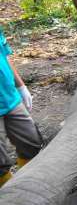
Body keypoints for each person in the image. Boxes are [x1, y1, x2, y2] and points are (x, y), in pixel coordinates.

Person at [0, 26, 42, 188]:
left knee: (31, 141)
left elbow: (5, 56)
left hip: (10, 97)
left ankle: (28, 185)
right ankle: (9, 195)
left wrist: (21, 86)